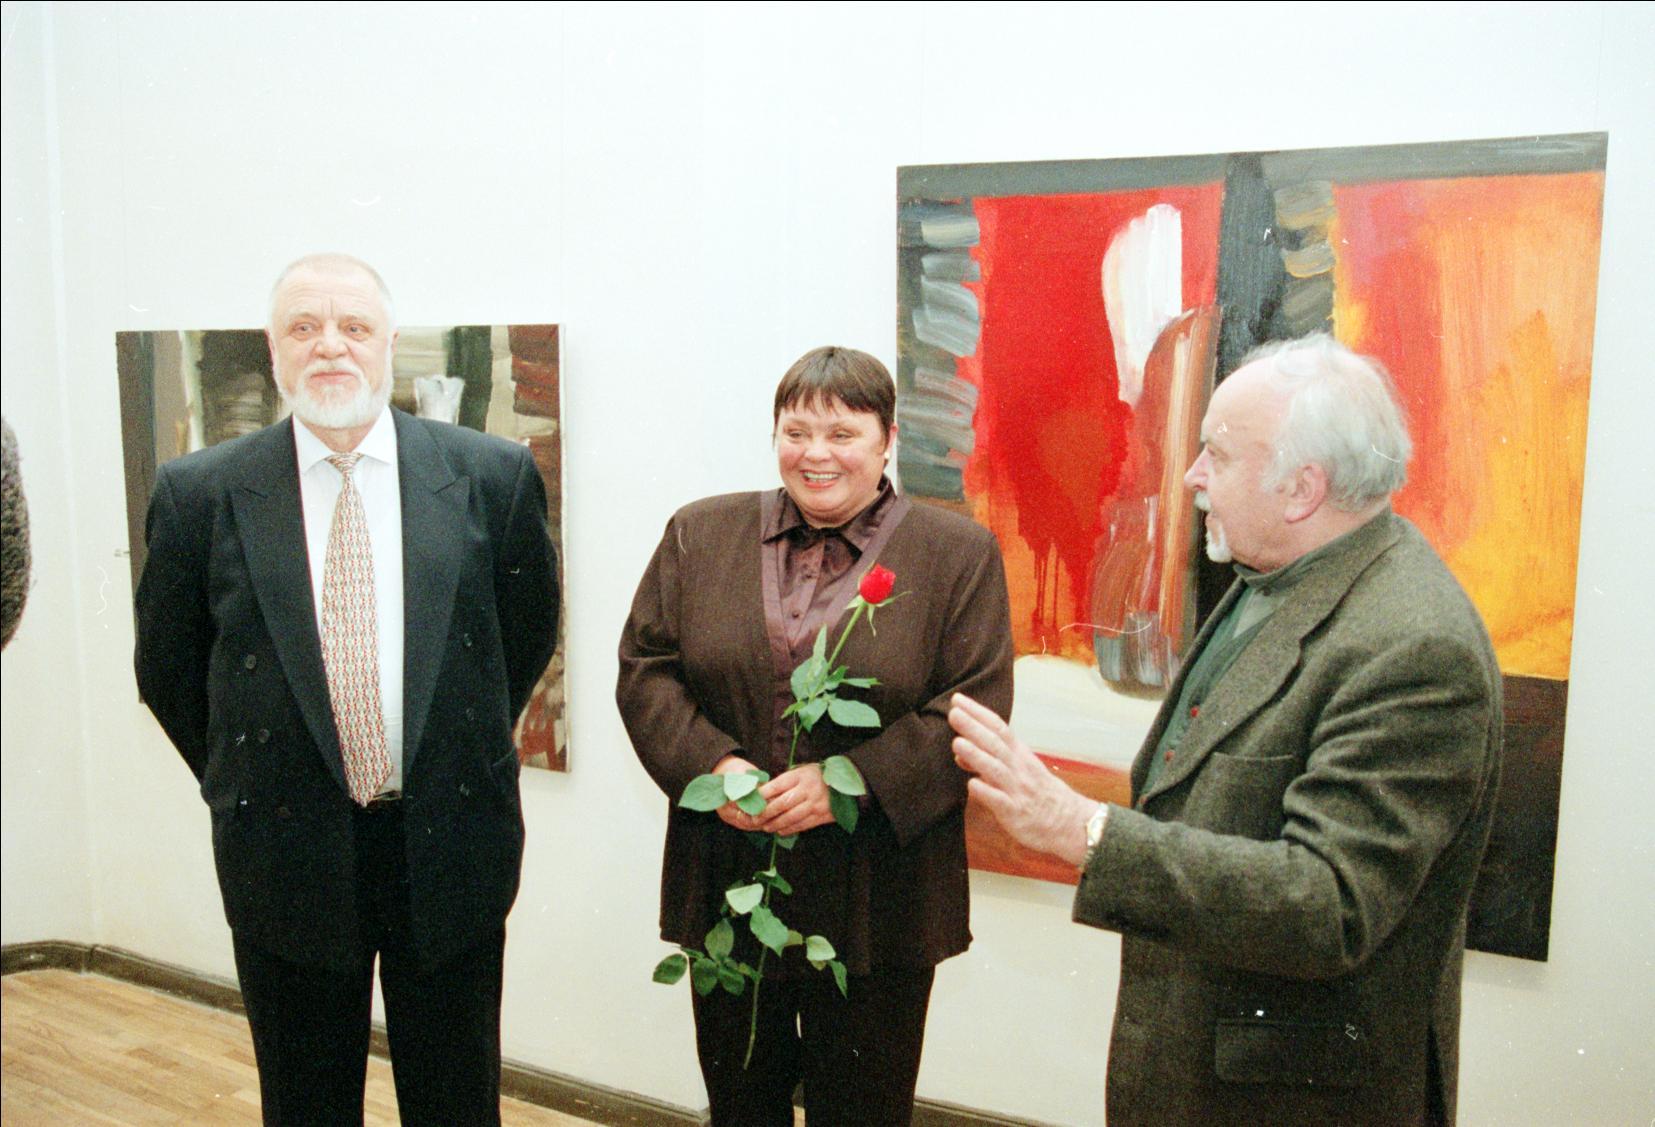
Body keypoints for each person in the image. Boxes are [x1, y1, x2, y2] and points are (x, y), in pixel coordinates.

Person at [949, 335, 1501, 1127]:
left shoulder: (1414, 647)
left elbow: (1328, 901)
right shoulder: (1280, 568)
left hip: (1289, 1102)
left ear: (1301, 488)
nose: (1191, 476)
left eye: (1217, 453)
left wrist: (1084, 831)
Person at [133, 253, 560, 1125]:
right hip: (284, 854)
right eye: (304, 327)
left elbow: (520, 640)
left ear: (389, 343)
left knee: (456, 1104)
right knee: (306, 1105)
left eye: (354, 327)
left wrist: (444, 745)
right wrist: (254, 774)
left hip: (448, 845)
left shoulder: (491, 476)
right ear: (273, 349)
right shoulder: (199, 493)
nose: (330, 346)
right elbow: (169, 671)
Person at [617, 346, 1014, 1125]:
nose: (815, 453)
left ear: (887, 439)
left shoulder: (957, 553)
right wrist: (713, 764)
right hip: (731, 874)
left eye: (841, 433)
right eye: (796, 431)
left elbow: (972, 704)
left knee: (863, 1110)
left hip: (881, 893)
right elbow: (645, 669)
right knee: (740, 1105)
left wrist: (846, 783)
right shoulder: (699, 532)